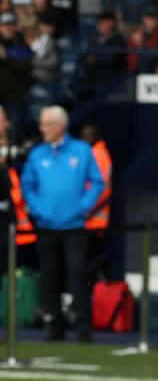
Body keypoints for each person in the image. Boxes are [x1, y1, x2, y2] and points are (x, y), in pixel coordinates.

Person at [21, 106, 104, 343]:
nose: (41, 128)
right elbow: (27, 186)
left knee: (78, 275)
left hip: (75, 225)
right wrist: (39, 210)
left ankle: (83, 329)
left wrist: (83, 208)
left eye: (46, 124)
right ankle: (54, 327)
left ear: (59, 126)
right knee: (50, 277)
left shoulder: (81, 150)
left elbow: (97, 182)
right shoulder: (37, 154)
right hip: (47, 226)